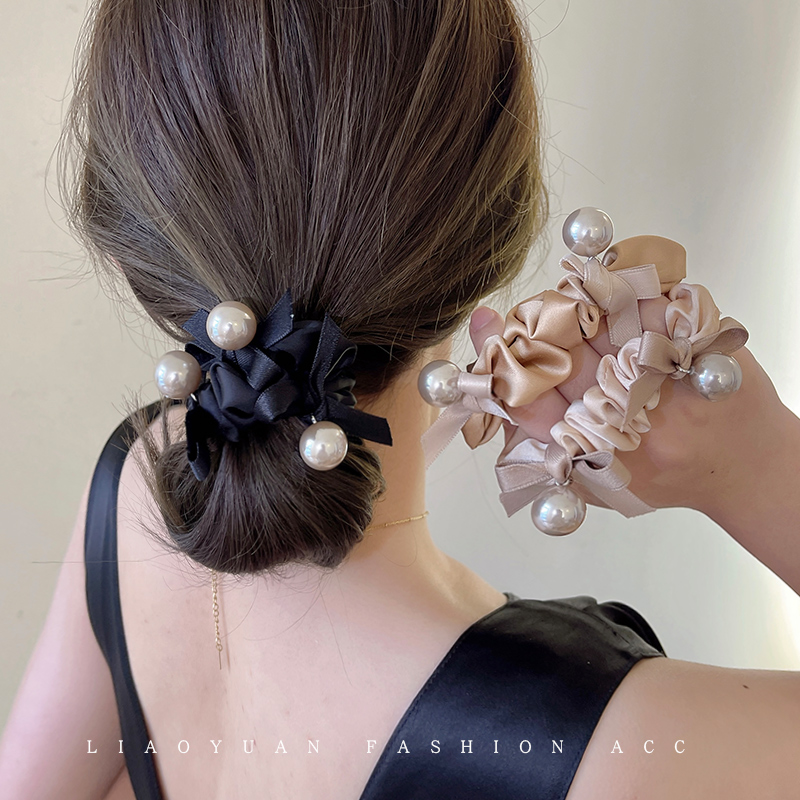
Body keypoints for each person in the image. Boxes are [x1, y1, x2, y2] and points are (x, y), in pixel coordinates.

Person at [1, 1, 798, 798]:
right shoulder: (619, 750)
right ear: (491, 232)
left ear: (135, 238)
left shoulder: (144, 474)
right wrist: (757, 467)